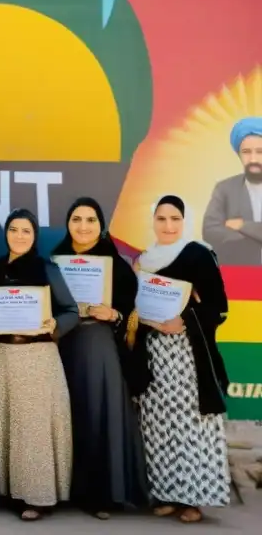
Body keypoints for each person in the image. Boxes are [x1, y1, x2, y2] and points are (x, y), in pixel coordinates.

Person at [130, 194, 231, 524]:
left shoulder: (198, 254)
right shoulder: (144, 260)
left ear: (183, 221)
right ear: (153, 221)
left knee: (192, 427)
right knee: (159, 425)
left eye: (175, 219)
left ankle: (194, 499)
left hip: (189, 356)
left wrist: (185, 320)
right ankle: (169, 494)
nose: (168, 226)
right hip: (154, 355)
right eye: (161, 219)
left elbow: (218, 307)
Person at [51, 197, 148, 518]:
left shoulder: (116, 265)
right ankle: (62, 489)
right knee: (66, 415)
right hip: (61, 344)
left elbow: (128, 309)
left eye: (90, 220)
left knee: (96, 414)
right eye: (76, 219)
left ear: (101, 225)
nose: (82, 226)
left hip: (97, 346)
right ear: (68, 224)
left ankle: (102, 495)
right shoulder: (54, 261)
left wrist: (114, 314)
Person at [0, 208, 79, 521]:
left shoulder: (47, 269)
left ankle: (39, 497)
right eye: (13, 229)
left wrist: (53, 324)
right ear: (6, 233)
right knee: (8, 426)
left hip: (36, 359)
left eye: (26, 230)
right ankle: (12, 492)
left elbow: (71, 312)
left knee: (34, 430)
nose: (19, 236)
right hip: (3, 357)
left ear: (35, 235)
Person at [203, 117, 262, 266]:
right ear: (239, 155)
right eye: (247, 152)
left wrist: (243, 226)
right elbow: (209, 230)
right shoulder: (225, 189)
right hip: (238, 272)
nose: (253, 158)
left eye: (260, 151)